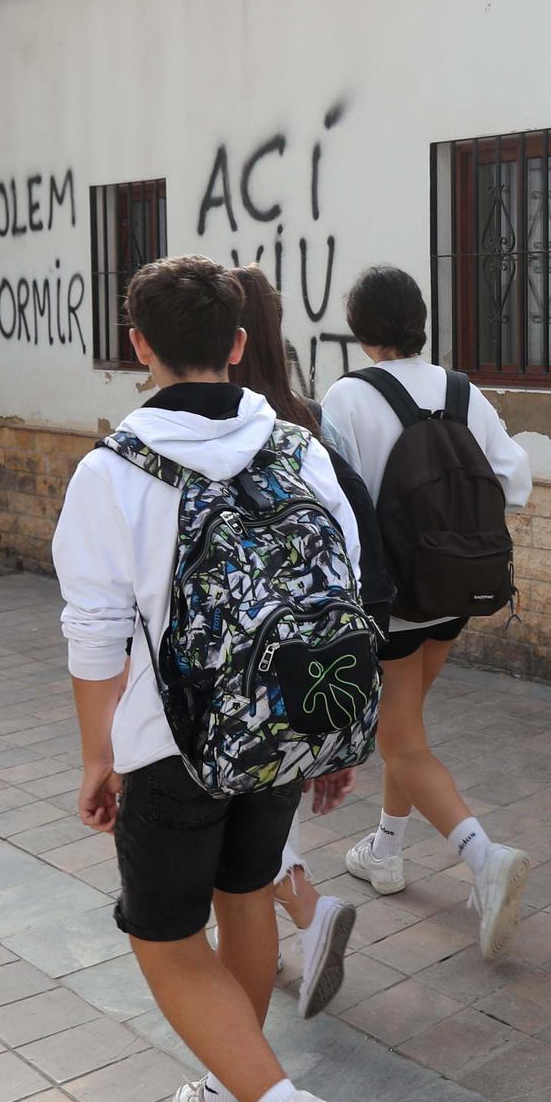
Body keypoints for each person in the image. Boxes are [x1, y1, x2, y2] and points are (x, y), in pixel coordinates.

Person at [56, 255, 357, 1102]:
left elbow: (95, 634)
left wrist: (96, 756)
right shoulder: (300, 447)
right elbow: (337, 593)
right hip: (282, 725)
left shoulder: (111, 471)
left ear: (138, 344)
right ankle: (229, 1098)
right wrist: (332, 734)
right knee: (247, 894)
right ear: (236, 344)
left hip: (168, 746)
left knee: (165, 935)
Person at [318, 264, 535, 959]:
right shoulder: (462, 389)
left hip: (388, 600)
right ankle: (384, 849)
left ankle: (485, 857)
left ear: (359, 328)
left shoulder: (346, 399)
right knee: (404, 733)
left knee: (402, 739)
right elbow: (515, 479)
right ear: (419, 319)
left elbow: (333, 509)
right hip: (452, 592)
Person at [226, 264, 361, 1019]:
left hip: (234, 664)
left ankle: (306, 911)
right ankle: (284, 929)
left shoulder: (212, 425)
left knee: (238, 811)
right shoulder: (308, 419)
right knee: (267, 802)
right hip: (312, 655)